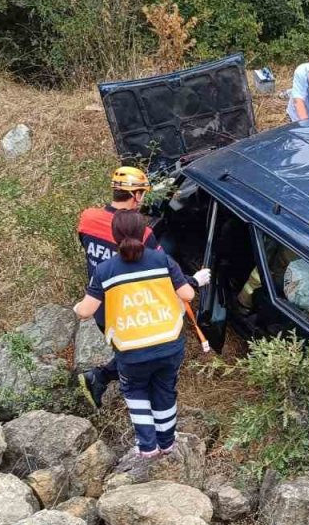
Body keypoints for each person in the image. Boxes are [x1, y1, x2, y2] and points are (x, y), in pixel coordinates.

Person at [73, 210, 210, 456]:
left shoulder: (105, 270)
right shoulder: (163, 261)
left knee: (135, 390)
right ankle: (167, 442)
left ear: (114, 237)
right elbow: (188, 295)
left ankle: (147, 446)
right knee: (165, 389)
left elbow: (85, 311)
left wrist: (76, 307)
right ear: (144, 233)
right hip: (169, 341)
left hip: (131, 348)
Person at [75, 166, 160, 409]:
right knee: (140, 352)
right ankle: (101, 379)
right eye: (142, 193)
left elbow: (87, 245)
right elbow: (159, 268)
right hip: (128, 308)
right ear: (136, 195)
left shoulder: (88, 218)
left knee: (127, 349)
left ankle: (102, 378)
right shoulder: (142, 234)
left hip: (101, 307)